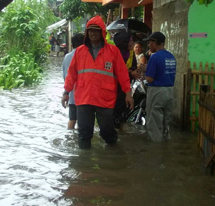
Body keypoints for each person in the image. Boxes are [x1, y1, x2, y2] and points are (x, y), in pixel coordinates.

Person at [62, 15, 134, 149]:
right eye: (90, 31)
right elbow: (71, 75)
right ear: (87, 33)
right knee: (84, 133)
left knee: (107, 132)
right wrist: (66, 92)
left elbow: (122, 74)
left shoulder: (113, 52)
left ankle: (113, 155)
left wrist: (128, 94)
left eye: (96, 31)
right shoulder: (79, 52)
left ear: (102, 33)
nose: (93, 34)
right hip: (84, 97)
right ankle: (85, 165)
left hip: (104, 98)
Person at [143, 32, 176, 142]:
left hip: (157, 91)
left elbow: (150, 79)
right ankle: (166, 146)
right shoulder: (171, 56)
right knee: (166, 123)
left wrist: (145, 72)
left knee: (154, 124)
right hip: (170, 91)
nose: (148, 45)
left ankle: (156, 152)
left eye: (150, 42)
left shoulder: (155, 57)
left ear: (156, 42)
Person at [62, 33, 85, 130]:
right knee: (82, 121)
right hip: (82, 94)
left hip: (70, 94)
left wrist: (66, 92)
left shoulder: (67, 56)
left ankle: (70, 138)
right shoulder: (84, 56)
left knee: (72, 119)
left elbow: (64, 75)